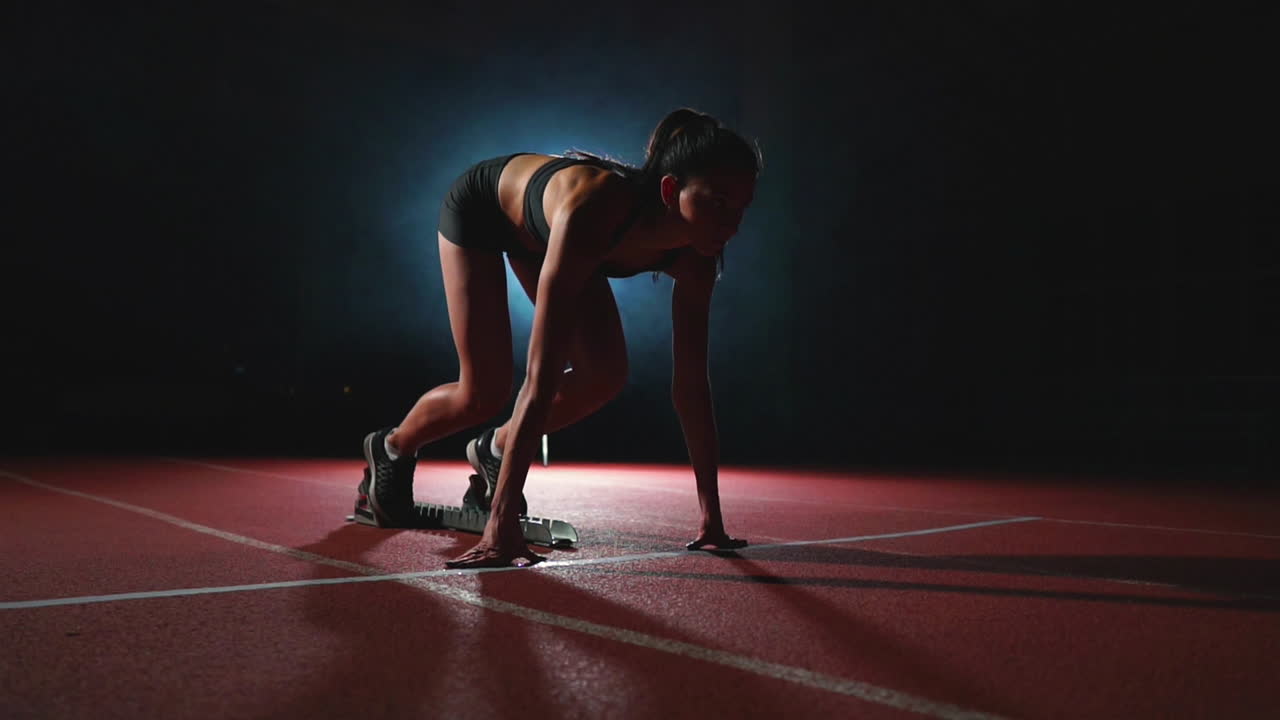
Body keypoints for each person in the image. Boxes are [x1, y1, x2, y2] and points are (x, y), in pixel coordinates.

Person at [360, 107, 761, 568]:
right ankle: (392, 447)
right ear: (671, 191)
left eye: (742, 207)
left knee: (604, 375)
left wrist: (711, 518)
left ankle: (495, 449)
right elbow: (542, 373)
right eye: (718, 202)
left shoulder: (699, 256)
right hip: (485, 210)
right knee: (484, 392)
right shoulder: (597, 209)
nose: (732, 224)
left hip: (550, 236)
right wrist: (500, 525)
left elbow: (691, 386)